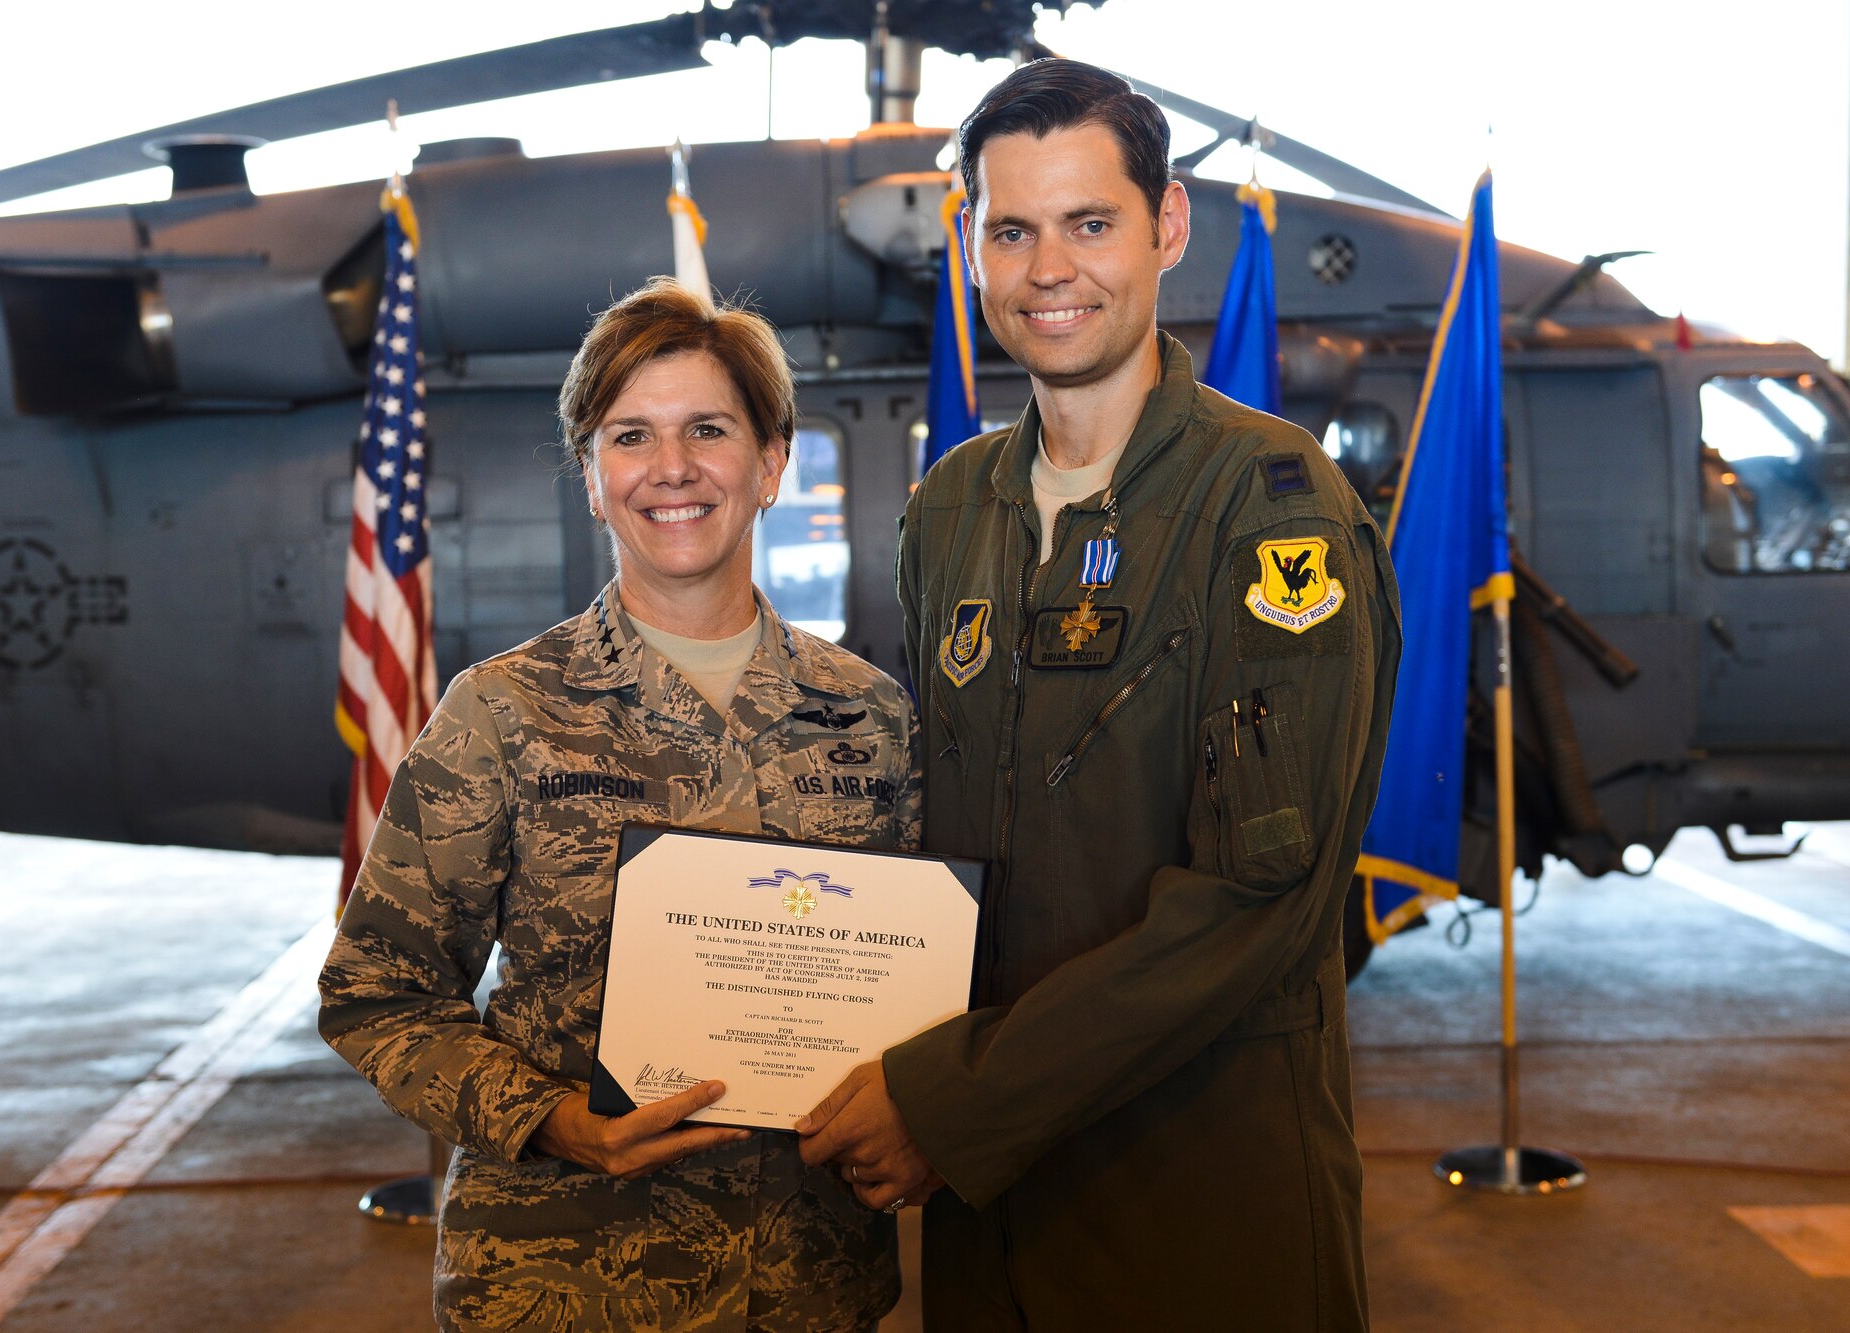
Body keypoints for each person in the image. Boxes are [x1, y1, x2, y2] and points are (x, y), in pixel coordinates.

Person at [795, 59, 1402, 1330]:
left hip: (1191, 1201)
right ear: (968, 247)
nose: (1046, 270)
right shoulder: (952, 507)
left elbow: (1258, 904)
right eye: (1009, 230)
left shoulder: (1270, 508)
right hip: (986, 1204)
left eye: (1089, 223)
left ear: (1165, 226)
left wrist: (948, 1100)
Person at [319, 277, 921, 1333]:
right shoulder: (502, 712)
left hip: (806, 1285)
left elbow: (924, 980)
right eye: (630, 436)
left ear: (770, 463)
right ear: (592, 480)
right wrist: (551, 1119)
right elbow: (378, 991)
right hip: (564, 1285)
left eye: (707, 429)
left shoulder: (868, 714)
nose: (672, 468)